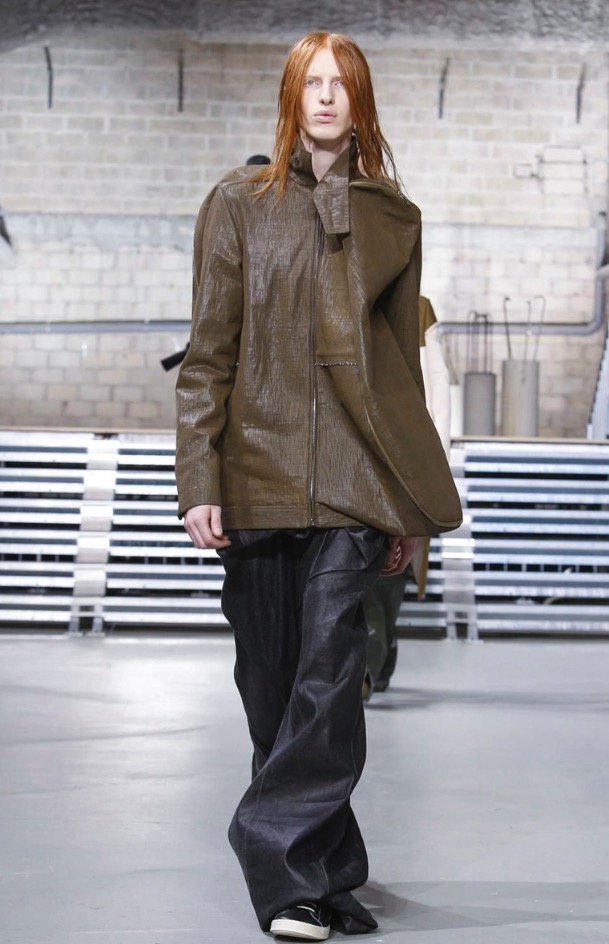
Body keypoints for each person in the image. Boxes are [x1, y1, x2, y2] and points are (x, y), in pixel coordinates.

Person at [175, 31, 462, 942]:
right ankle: (326, 873)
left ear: (361, 101)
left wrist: (406, 505)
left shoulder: (392, 217)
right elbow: (208, 353)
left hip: (352, 483)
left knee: (330, 683)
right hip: (253, 478)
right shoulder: (237, 204)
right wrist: (198, 478)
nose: (327, 97)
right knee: (273, 694)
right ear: (291, 97)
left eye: (343, 84)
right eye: (313, 83)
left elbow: (398, 375)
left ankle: (271, 855)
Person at [363, 296, 452, 698]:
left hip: (406, 464)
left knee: (390, 571)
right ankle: (370, 665)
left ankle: (376, 663)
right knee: (368, 573)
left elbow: (438, 392)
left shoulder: (418, 309)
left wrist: (433, 475)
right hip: (363, 458)